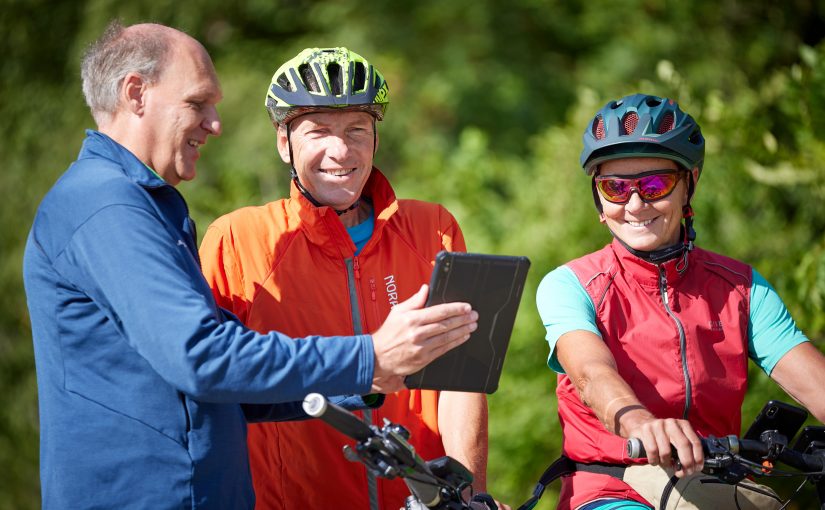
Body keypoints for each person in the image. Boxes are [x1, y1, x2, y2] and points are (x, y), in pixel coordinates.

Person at [22, 23, 479, 510]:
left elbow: (232, 388)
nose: (215, 124)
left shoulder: (142, 206)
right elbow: (203, 358)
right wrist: (368, 357)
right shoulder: (109, 206)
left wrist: (363, 378)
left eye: (357, 130)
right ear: (136, 93)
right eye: (197, 103)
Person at [198, 47, 492, 510]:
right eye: (318, 131)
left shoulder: (432, 227)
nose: (341, 150)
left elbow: (462, 379)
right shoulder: (236, 239)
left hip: (420, 501)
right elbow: (210, 384)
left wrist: (471, 494)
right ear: (284, 143)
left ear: (375, 139)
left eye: (357, 130)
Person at [536, 93, 825, 510]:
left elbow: (810, 378)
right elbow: (590, 372)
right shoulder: (571, 284)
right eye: (614, 188)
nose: (634, 204)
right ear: (599, 200)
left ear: (689, 183)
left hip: (716, 487)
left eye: (654, 184)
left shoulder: (741, 287)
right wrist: (640, 423)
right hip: (613, 490)